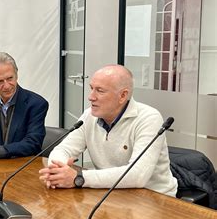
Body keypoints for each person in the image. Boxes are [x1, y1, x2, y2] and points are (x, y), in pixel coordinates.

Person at [39, 64, 178, 196]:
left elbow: (138, 175)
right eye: (91, 88)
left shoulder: (149, 118)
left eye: (100, 91)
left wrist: (79, 177)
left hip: (154, 198)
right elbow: (63, 149)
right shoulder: (89, 116)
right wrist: (57, 171)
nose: (91, 97)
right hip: (110, 192)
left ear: (123, 95)